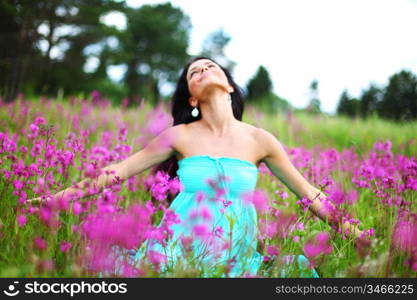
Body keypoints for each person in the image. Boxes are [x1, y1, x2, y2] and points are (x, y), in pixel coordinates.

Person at [27, 56, 367, 278]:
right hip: (178, 248)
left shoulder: (260, 140)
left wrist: (355, 234)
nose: (203, 70)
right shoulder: (179, 135)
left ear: (229, 85)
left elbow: (310, 194)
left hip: (235, 253)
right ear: (191, 97)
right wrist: (60, 198)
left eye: (210, 67)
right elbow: (117, 171)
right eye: (195, 72)